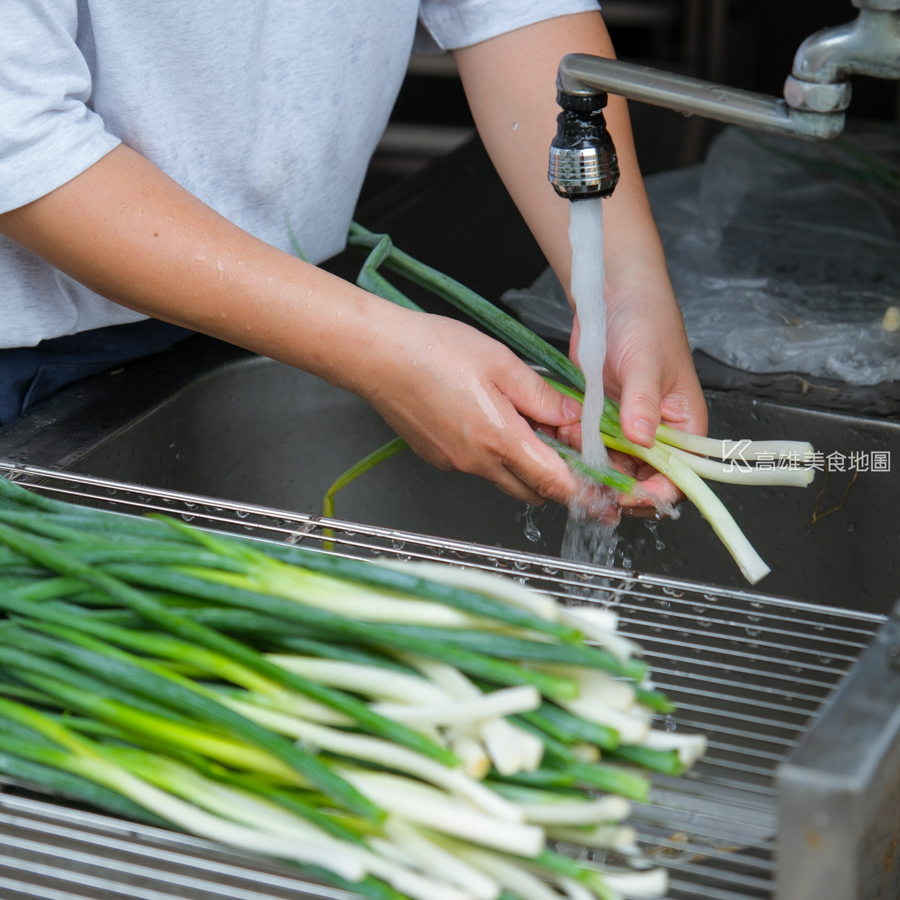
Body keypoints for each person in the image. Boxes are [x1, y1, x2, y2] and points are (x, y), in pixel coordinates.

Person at [0, 2, 706, 512]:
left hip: (294, 307)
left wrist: (625, 288)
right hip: (35, 365)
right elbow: (21, 139)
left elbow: (516, 16)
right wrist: (379, 350)